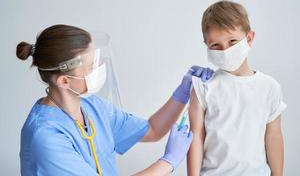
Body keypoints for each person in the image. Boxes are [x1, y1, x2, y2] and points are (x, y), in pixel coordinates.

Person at [16, 24, 214, 176]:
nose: (99, 69)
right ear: (65, 81)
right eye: (91, 66)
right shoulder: (44, 136)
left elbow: (152, 130)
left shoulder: (93, 108)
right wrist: (168, 161)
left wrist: (182, 92)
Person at [187, 0, 287, 176]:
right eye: (215, 45)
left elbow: (273, 136)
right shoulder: (203, 87)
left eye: (232, 41)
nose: (225, 50)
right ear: (206, 45)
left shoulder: (269, 87)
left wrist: (277, 174)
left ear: (249, 38)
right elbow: (196, 137)